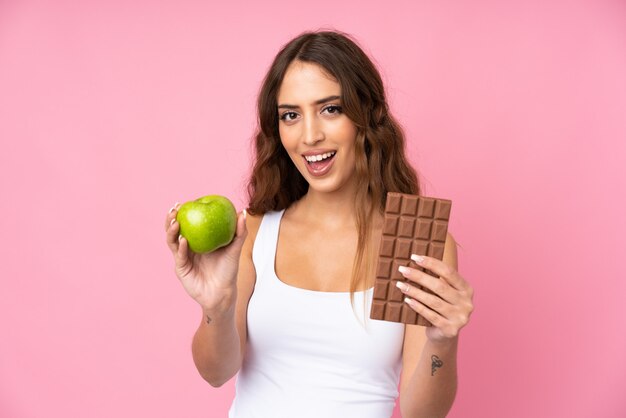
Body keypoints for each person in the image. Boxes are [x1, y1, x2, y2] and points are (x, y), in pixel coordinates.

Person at [164, 30, 474, 418]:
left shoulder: (412, 240)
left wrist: (442, 342)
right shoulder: (256, 232)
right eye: (291, 115)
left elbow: (420, 414)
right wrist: (217, 306)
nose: (309, 136)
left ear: (367, 115)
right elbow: (216, 372)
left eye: (330, 109)